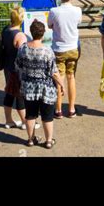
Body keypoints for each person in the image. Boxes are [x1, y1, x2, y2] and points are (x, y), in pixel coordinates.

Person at [15, 19, 65, 149]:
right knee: (47, 116)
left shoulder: (23, 49)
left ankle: (31, 139)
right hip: (46, 89)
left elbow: (17, 66)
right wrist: (61, 84)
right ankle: (48, 141)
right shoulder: (47, 51)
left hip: (28, 88)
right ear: (43, 34)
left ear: (31, 33)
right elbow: (53, 72)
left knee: (30, 115)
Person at [47, 0, 82, 118]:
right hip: (73, 48)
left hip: (58, 49)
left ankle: (58, 110)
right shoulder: (77, 10)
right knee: (71, 77)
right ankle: (72, 109)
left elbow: (50, 25)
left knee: (58, 78)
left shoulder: (54, 11)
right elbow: (77, 22)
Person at [1, 6, 27, 129]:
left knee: (9, 93)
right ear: (21, 19)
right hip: (17, 70)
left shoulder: (5, 30)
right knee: (20, 95)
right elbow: (24, 55)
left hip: (7, 67)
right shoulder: (20, 36)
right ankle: (25, 122)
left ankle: (9, 120)